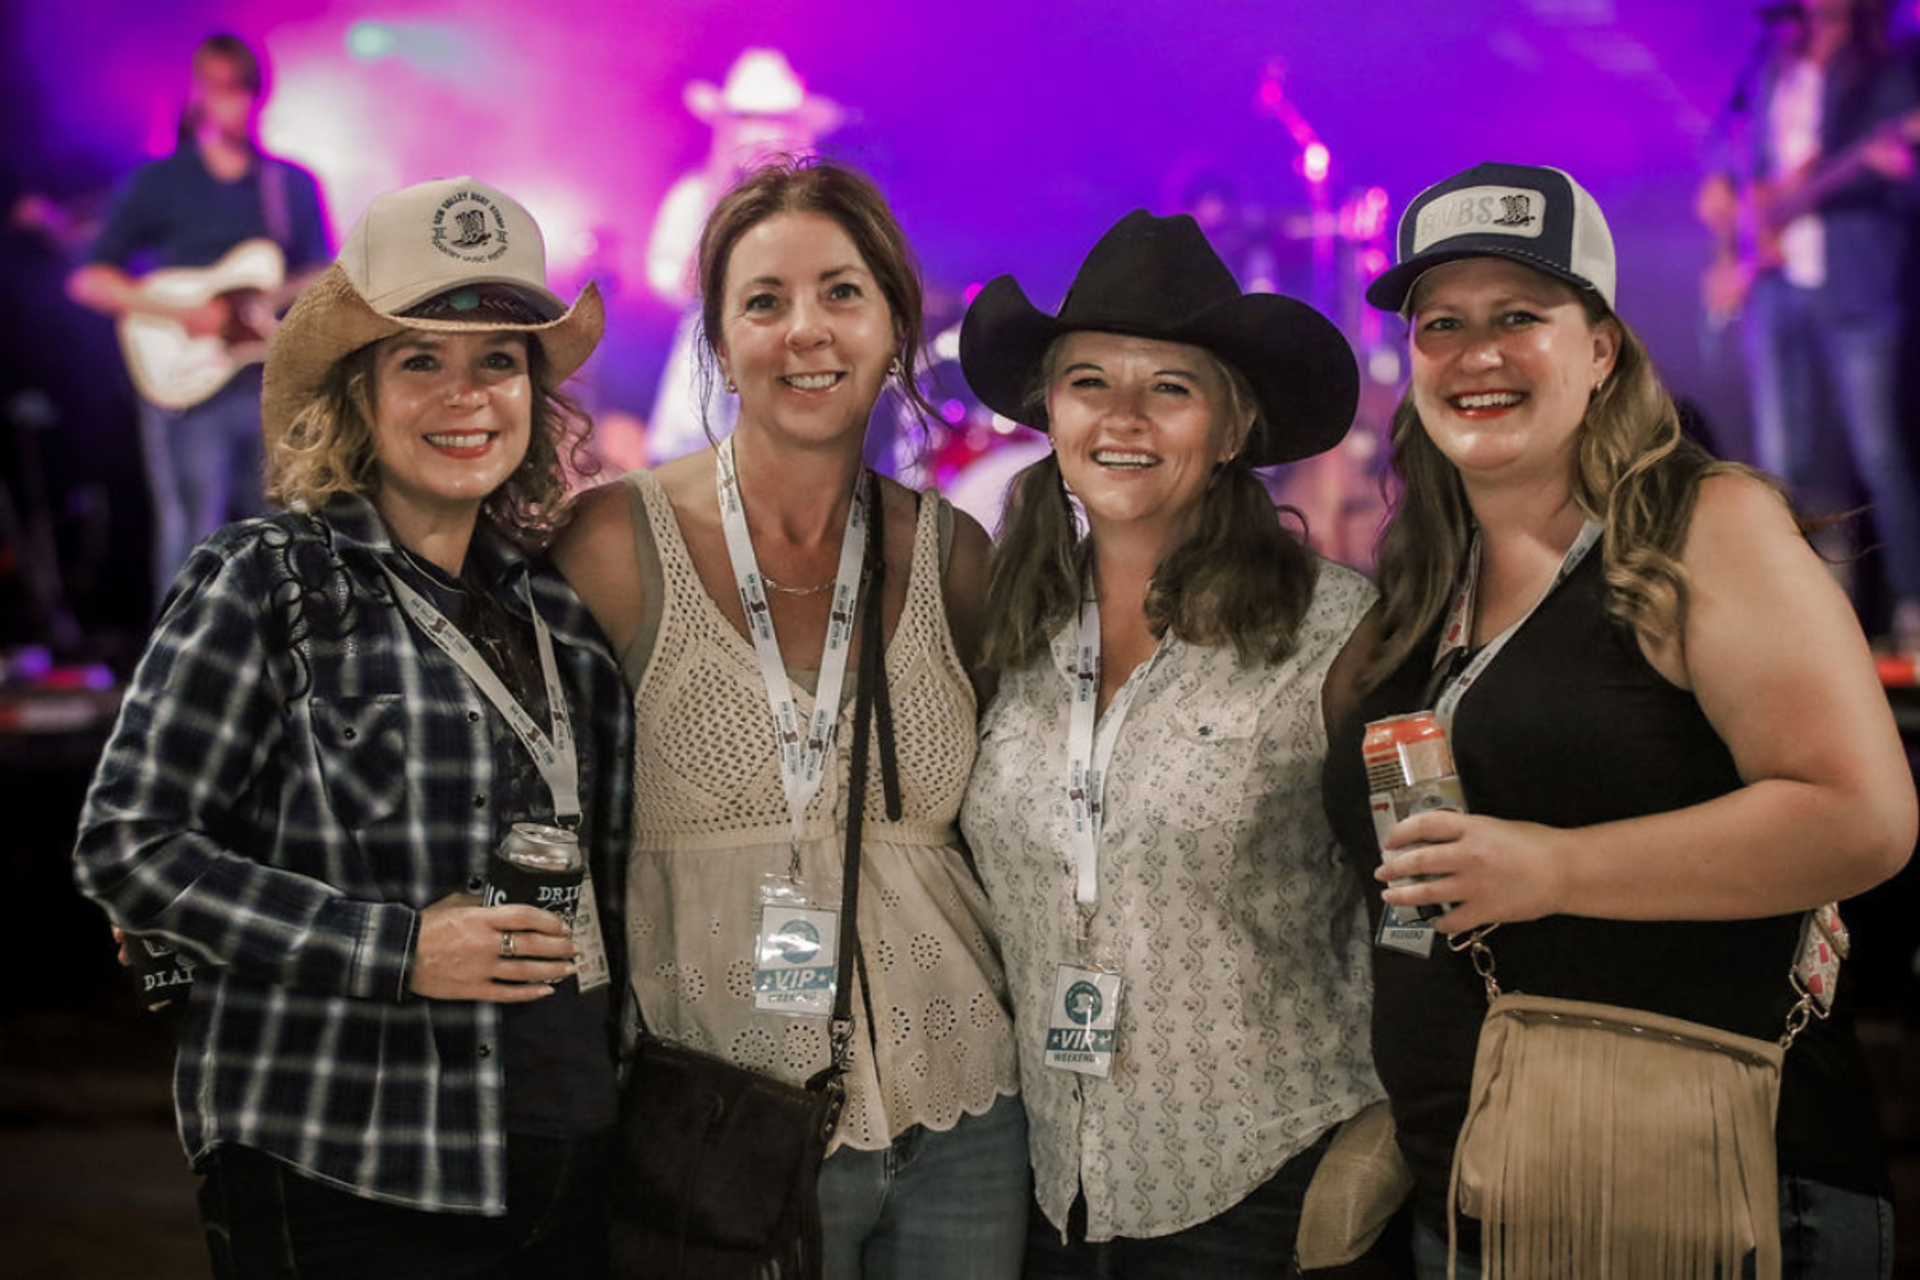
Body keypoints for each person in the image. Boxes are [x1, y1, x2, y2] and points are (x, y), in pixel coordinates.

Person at [1324, 162, 1916, 1278]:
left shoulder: (1702, 523)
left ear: (1600, 350)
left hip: (1700, 1190)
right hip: (1471, 1190)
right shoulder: (1418, 583)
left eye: (1519, 317)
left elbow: (1864, 818)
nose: (1476, 353)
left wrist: (1555, 867)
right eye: (1442, 323)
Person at [73, 176, 632, 1277]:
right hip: (346, 1159)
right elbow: (130, 842)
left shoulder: (563, 612)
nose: (463, 396)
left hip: (562, 1156)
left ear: (534, 396)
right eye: (419, 358)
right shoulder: (267, 580)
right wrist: (401, 947)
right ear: (356, 392)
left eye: (499, 360)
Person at [553, 157, 1025, 1279]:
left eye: (842, 292)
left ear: (897, 326)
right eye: (764, 301)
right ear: (719, 343)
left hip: (966, 1106)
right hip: (724, 1118)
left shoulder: (956, 554)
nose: (805, 330)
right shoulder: (612, 543)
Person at [955, 209, 1384, 1277]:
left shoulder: (1336, 631)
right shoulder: (1003, 626)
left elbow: (1427, 902)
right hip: (1052, 1192)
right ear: (1050, 409)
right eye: (1091, 380)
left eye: (1172, 387)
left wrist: (1392, 1141)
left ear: (1231, 430)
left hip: (1272, 1187)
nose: (1125, 416)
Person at [66, 32, 332, 606]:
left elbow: (324, 279)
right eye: (217, 88)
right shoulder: (160, 182)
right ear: (195, 94)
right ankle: (182, 678)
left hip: (269, 382)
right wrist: (183, 311)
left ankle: (281, 677)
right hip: (187, 385)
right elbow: (90, 278)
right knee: (193, 535)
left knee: (284, 535)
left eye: (240, 89)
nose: (230, 102)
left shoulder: (289, 185)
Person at [1696, 0, 1920, 645]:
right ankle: (1800, 613)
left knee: (1877, 450)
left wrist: (1891, 172)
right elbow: (1725, 146)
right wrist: (1727, 211)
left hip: (1857, 279)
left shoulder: (1889, 67)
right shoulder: (1774, 57)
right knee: (1781, 458)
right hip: (1775, 282)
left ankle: (1910, 610)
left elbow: (1903, 182)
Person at [643, 48, 844, 462]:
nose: (760, 133)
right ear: (729, 128)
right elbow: (664, 277)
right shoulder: (695, 197)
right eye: (749, 121)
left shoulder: (824, 208)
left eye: (774, 121)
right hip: (705, 377)